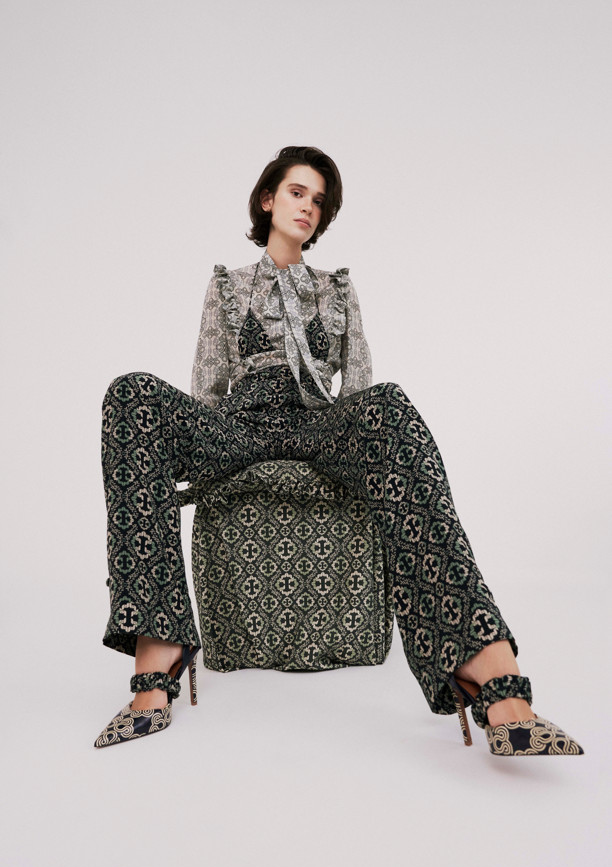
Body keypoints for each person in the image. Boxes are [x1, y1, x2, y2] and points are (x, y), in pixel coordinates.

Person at [94, 145, 583, 757]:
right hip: (238, 426)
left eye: (319, 201)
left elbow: (359, 388)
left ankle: (486, 668)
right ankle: (158, 646)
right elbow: (206, 388)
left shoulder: (337, 289)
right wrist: (203, 462)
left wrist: (359, 448)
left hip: (317, 424)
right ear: (268, 200)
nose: (308, 207)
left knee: (389, 403)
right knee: (130, 394)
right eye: (297, 192)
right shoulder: (227, 286)